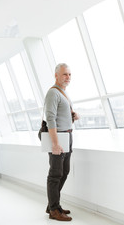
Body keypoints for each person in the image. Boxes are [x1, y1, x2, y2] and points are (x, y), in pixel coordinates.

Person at [45, 63, 79, 221]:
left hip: (67, 136)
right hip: (58, 138)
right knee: (55, 174)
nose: (68, 77)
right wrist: (55, 143)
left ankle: (53, 204)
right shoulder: (53, 93)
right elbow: (50, 119)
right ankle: (53, 210)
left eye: (70, 74)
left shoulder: (63, 93)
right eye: (65, 74)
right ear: (56, 76)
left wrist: (73, 114)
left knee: (64, 172)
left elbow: (60, 114)